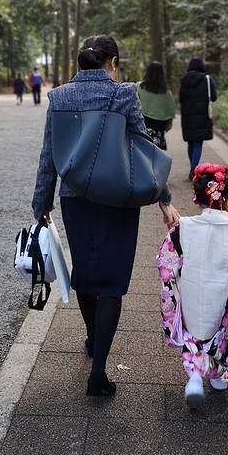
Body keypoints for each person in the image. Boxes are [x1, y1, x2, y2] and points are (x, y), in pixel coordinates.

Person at [32, 35, 180, 397]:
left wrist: (41, 204)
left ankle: (91, 336)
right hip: (118, 197)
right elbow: (143, 145)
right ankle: (98, 372)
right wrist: (164, 198)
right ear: (112, 62)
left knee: (85, 273)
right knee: (112, 282)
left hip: (75, 198)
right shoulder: (124, 94)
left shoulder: (59, 97)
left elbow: (48, 154)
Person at [157, 162, 228, 408]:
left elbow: (165, 263)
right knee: (222, 336)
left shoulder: (182, 228)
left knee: (193, 334)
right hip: (221, 299)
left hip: (191, 295)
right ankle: (217, 375)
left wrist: (173, 293)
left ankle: (195, 376)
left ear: (197, 199)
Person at [179, 57, 217, 179]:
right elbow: (214, 97)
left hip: (187, 116)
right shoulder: (207, 79)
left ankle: (193, 168)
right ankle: (194, 170)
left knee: (191, 142)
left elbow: (181, 99)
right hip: (202, 116)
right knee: (197, 142)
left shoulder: (184, 80)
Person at [137, 61, 176, 150]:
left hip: (142, 127)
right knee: (157, 155)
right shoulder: (167, 93)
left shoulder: (139, 87)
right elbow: (170, 113)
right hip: (159, 129)